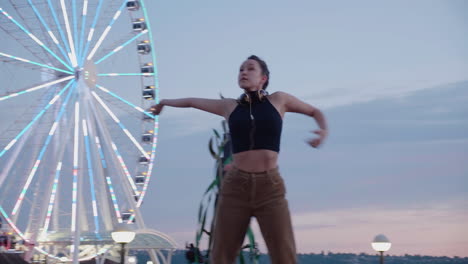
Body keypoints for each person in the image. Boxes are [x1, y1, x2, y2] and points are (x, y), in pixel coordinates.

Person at [151, 55, 328, 264]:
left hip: (270, 187)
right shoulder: (229, 106)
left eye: (250, 69)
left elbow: (314, 111)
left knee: (284, 255)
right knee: (221, 256)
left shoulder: (279, 100)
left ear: (263, 78)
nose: (244, 72)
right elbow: (191, 102)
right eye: (241, 69)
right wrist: (163, 103)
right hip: (236, 187)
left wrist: (322, 130)